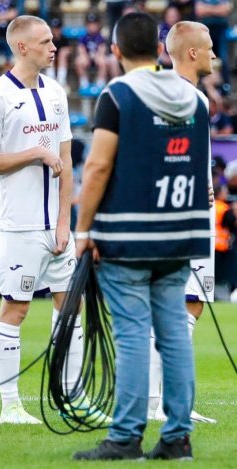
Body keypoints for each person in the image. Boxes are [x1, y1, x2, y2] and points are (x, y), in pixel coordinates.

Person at [73, 12, 210, 461]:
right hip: (180, 234)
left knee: (133, 334)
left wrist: (83, 229)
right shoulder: (195, 99)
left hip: (128, 236)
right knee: (173, 333)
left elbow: (96, 167)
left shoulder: (118, 94)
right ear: (158, 48)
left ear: (115, 52)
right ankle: (177, 437)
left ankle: (126, 436)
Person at [0, 15, 109, 425]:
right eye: (46, 41)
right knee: (15, 311)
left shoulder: (55, 92)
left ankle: (72, 396)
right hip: (20, 225)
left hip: (58, 226)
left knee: (71, 306)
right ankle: (11, 405)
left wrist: (66, 221)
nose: (54, 47)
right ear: (21, 47)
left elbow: (67, 159)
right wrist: (34, 153)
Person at [146, 20, 218, 425]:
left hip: (194, 215)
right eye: (208, 47)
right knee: (177, 306)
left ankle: (169, 400)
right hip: (182, 218)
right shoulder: (179, 97)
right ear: (191, 53)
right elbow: (165, 153)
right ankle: (164, 402)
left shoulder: (193, 97)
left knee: (190, 306)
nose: (214, 54)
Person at [74, 12, 117, 89]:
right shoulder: (84, 36)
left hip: (97, 58)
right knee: (78, 61)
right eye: (90, 24)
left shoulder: (100, 36)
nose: (92, 26)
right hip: (87, 58)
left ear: (98, 25)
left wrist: (100, 55)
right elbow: (81, 48)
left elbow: (102, 47)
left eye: (94, 24)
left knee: (104, 61)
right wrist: (84, 56)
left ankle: (101, 82)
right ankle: (84, 82)